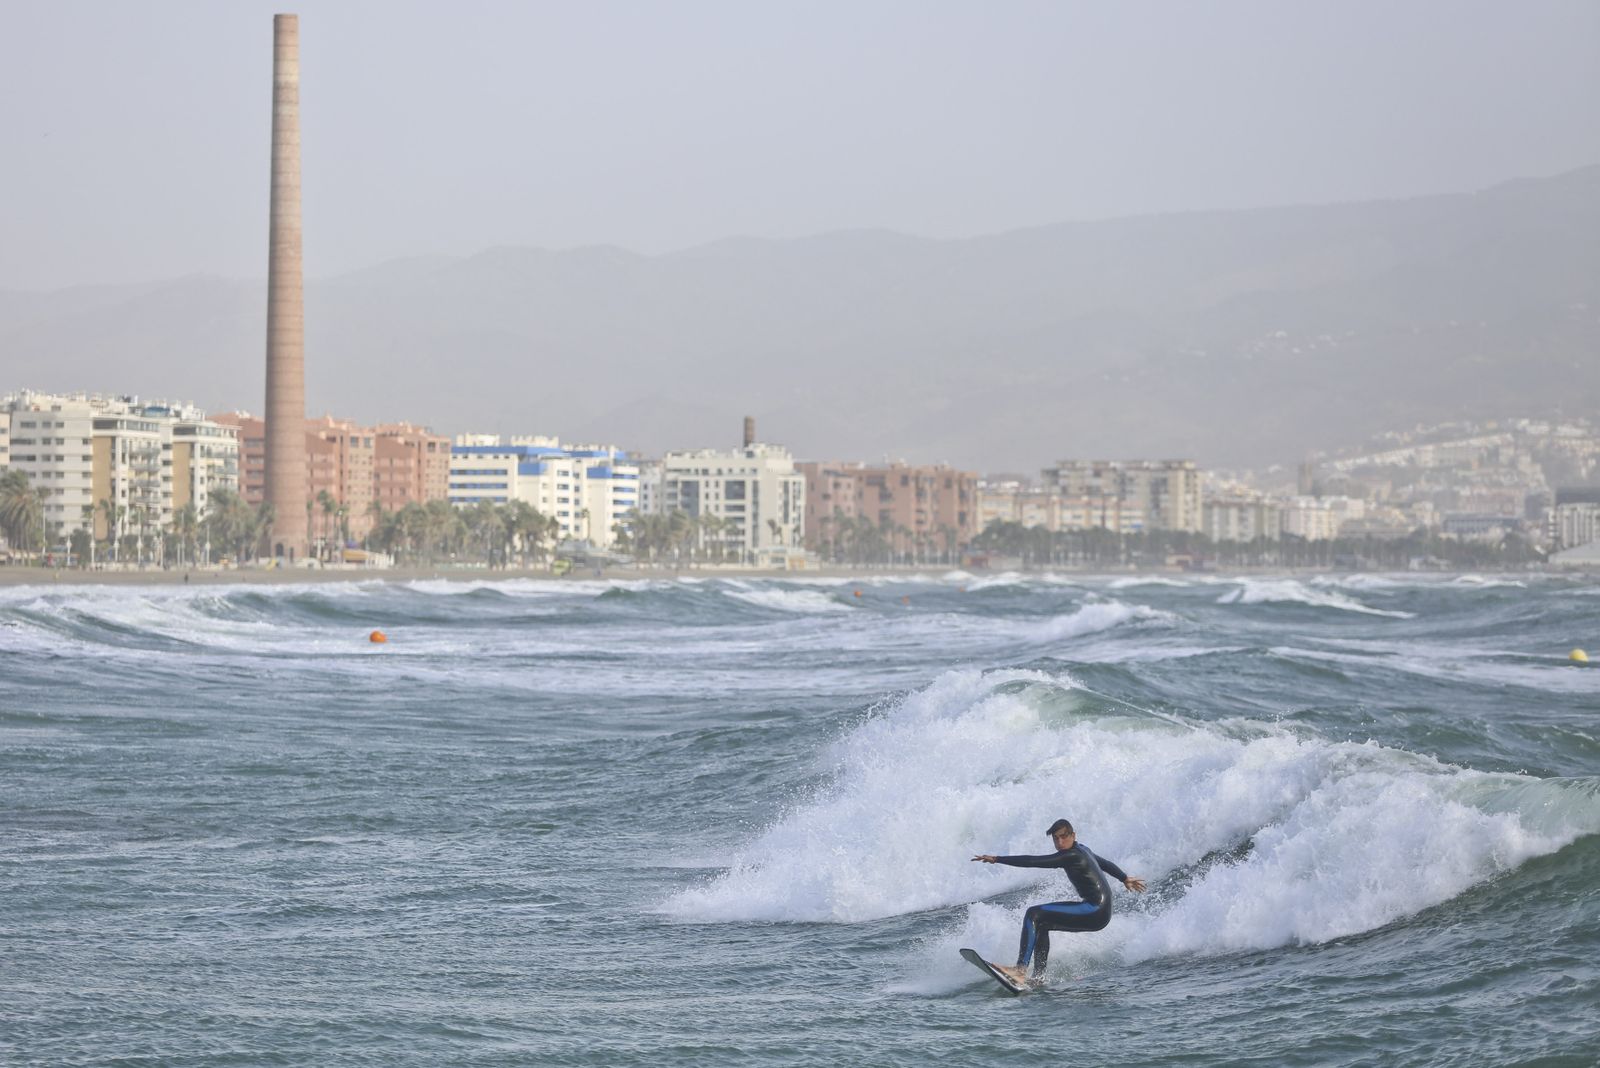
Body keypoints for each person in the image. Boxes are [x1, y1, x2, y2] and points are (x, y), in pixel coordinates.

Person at [972, 818, 1146, 984]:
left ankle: (1020, 970)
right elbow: (1105, 864)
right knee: (1042, 923)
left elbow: (1033, 861)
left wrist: (997, 859)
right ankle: (1039, 978)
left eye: (1063, 837)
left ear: (1073, 835)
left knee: (1033, 914)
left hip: (1095, 910)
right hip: (1100, 910)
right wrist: (1124, 878)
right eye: (1056, 839)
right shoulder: (1083, 849)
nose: (1060, 842)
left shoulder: (1070, 856)